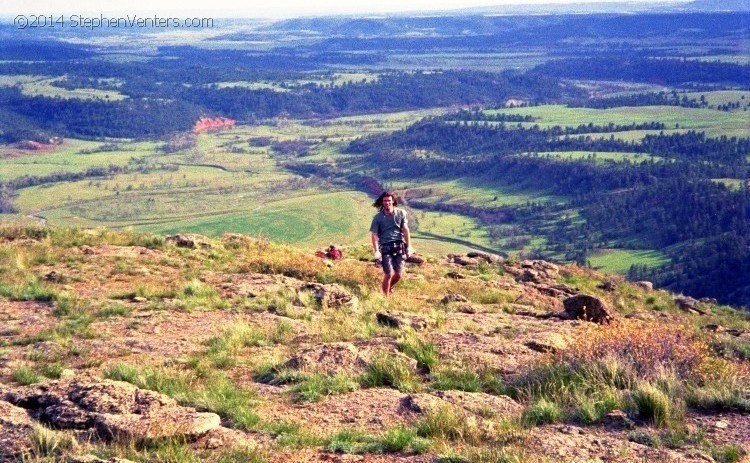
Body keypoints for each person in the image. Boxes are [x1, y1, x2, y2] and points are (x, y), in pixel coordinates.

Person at [370, 191, 413, 296]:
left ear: (393, 201)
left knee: (398, 274)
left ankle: (389, 287)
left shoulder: (401, 213)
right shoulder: (377, 218)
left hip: (399, 245)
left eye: (389, 200)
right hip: (385, 247)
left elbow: (405, 229)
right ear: (382, 202)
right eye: (384, 201)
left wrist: (409, 246)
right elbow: (374, 235)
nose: (387, 203)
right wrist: (376, 251)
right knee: (388, 274)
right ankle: (385, 299)